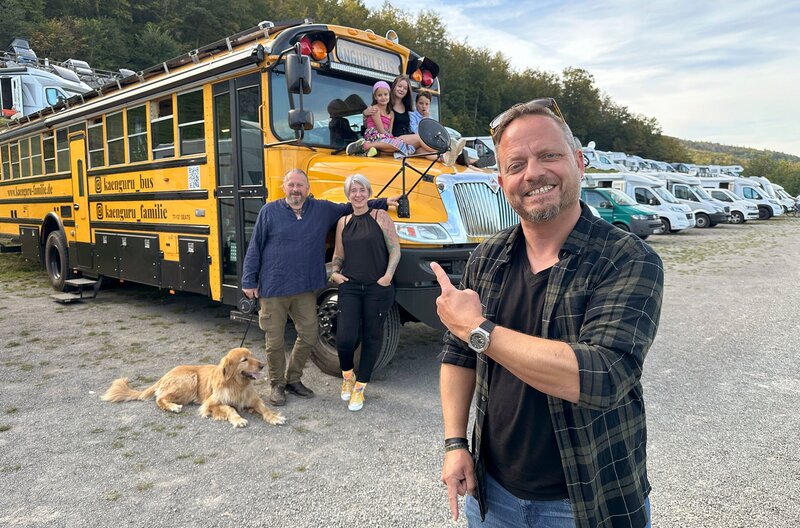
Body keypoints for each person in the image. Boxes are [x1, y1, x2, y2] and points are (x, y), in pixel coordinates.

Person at [432, 99, 663, 527]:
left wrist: (479, 329)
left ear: (578, 161)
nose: (533, 173)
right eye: (516, 164)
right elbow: (458, 355)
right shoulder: (488, 257)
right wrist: (454, 443)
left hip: (587, 500)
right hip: (492, 496)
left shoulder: (627, 258)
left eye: (549, 155)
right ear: (502, 182)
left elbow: (603, 375)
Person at [241, 169, 396, 407]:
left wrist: (383, 202)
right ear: (284, 187)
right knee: (275, 341)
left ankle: (293, 379)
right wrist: (249, 281)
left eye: (300, 186)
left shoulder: (321, 209)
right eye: (291, 185)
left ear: (308, 189)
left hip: (304, 287)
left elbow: (353, 205)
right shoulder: (269, 211)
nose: (296, 190)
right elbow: (255, 246)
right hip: (273, 288)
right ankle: (277, 384)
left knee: (310, 334)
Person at [330, 174, 401, 411]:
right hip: (350, 286)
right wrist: (335, 272)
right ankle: (348, 375)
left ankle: (360, 387)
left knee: (372, 337)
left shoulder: (381, 217)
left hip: (376, 287)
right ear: (347, 195)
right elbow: (338, 254)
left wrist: (388, 276)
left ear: (369, 193)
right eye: (353, 191)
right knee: (345, 337)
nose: (357, 195)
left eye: (362, 190)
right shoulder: (344, 221)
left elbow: (395, 251)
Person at [346, 81, 413, 158]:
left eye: (385, 94)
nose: (383, 97)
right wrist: (394, 139)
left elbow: (389, 132)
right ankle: (366, 145)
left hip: (384, 137)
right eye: (379, 95)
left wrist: (393, 138)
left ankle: (369, 150)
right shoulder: (375, 109)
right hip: (373, 135)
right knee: (400, 144)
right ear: (375, 97)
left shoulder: (391, 113)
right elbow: (380, 130)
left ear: (389, 95)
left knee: (401, 145)